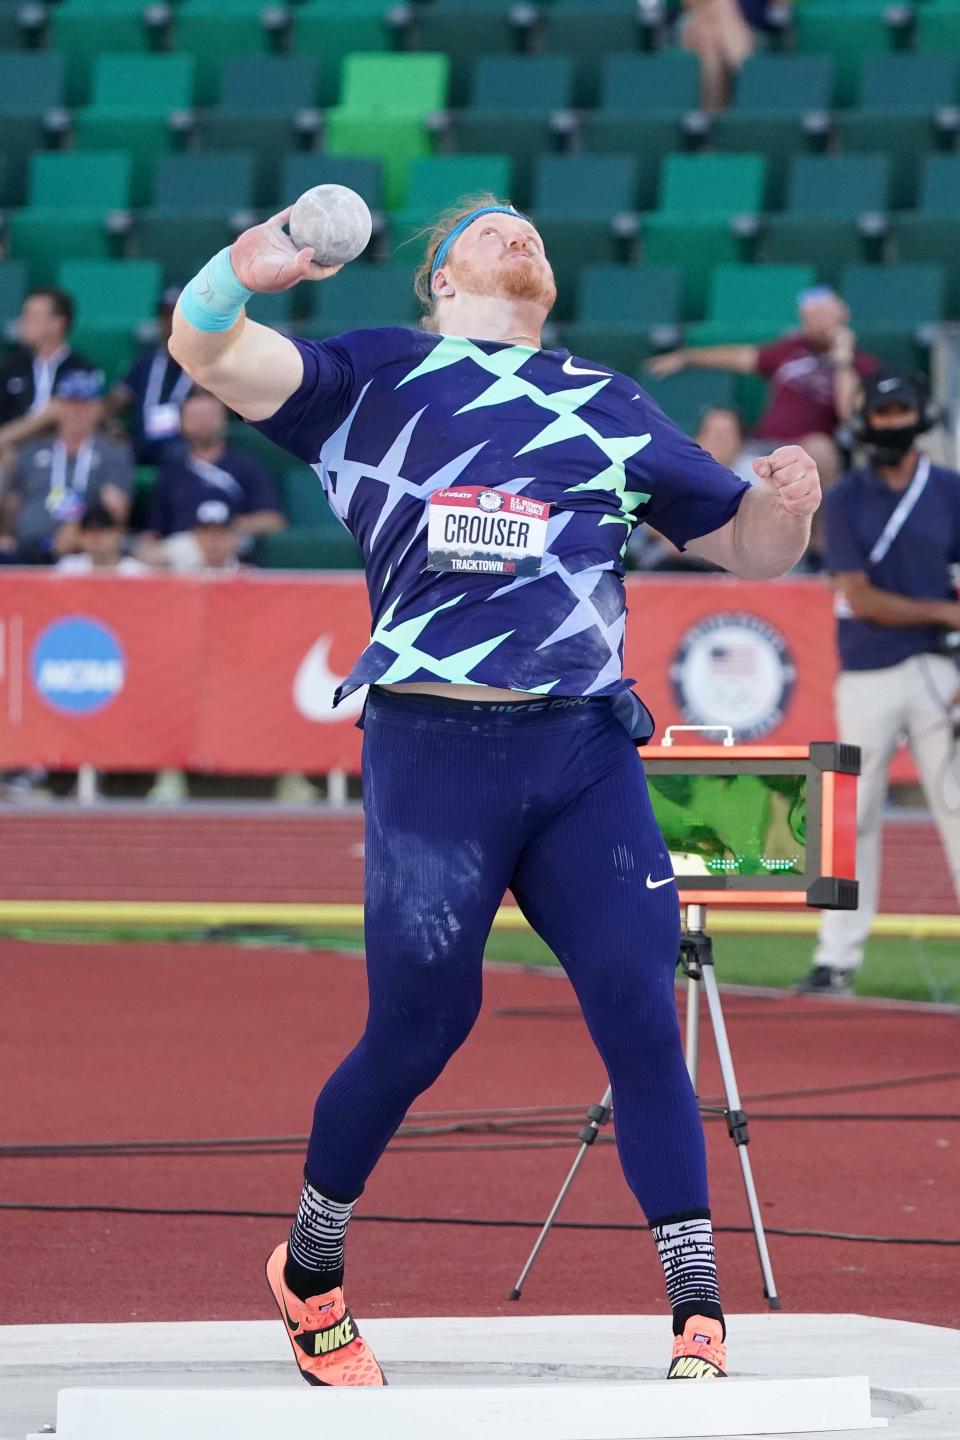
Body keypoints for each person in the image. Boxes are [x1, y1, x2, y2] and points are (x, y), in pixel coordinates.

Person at [169, 192, 821, 1386]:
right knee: (423, 1024)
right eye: (487, 222)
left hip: (583, 754)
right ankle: (309, 1266)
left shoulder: (611, 406)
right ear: (439, 278)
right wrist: (246, 263)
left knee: (639, 1009)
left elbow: (749, 548)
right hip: (435, 751)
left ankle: (696, 1310)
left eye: (532, 223)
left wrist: (786, 505)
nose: (518, 227)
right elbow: (202, 349)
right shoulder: (374, 376)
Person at [799, 368, 960, 994]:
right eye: (880, 411)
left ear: (919, 415)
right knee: (851, 817)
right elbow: (859, 598)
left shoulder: (950, 489)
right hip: (868, 669)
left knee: (955, 807)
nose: (890, 422)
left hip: (942, 672)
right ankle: (835, 955)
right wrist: (946, 612)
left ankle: (837, 956)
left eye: (900, 411)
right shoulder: (844, 498)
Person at [648, 286, 878, 493]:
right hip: (763, 446)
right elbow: (739, 357)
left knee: (820, 448)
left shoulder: (860, 365)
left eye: (822, 315)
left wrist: (843, 360)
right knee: (719, 425)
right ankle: (675, 523)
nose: (814, 323)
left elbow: (850, 414)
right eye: (808, 317)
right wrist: (687, 357)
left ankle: (817, 540)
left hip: (809, 454)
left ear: (842, 315)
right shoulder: (789, 351)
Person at [135, 388, 284, 566]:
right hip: (182, 556)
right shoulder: (172, 474)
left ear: (224, 421)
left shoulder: (245, 466)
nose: (203, 423)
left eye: (209, 416)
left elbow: (274, 521)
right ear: (183, 423)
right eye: (196, 417)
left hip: (232, 553)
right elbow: (154, 531)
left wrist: (224, 530)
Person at [0, 369, 133, 563]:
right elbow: (12, 504)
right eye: (70, 403)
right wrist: (7, 535)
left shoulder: (113, 453)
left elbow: (116, 509)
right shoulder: (32, 450)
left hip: (82, 551)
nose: (77, 412)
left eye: (84, 405)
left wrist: (76, 530)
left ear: (97, 408)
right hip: (26, 547)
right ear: (58, 407)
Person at [0, 288, 92, 465]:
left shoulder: (79, 368)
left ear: (57, 323)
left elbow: (59, 415)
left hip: (59, 450)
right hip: (11, 448)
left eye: (31, 316)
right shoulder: (11, 365)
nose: (22, 322)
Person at [108, 287, 193, 465]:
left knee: (177, 453)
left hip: (182, 442)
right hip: (142, 439)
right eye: (165, 315)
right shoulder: (145, 362)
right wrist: (111, 425)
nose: (171, 322)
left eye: (178, 315)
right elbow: (113, 404)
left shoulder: (204, 363)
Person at [56, 500, 147, 576]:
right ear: (79, 537)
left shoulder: (136, 572)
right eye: (89, 531)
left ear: (116, 534)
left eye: (101, 530)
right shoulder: (68, 569)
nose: (95, 537)